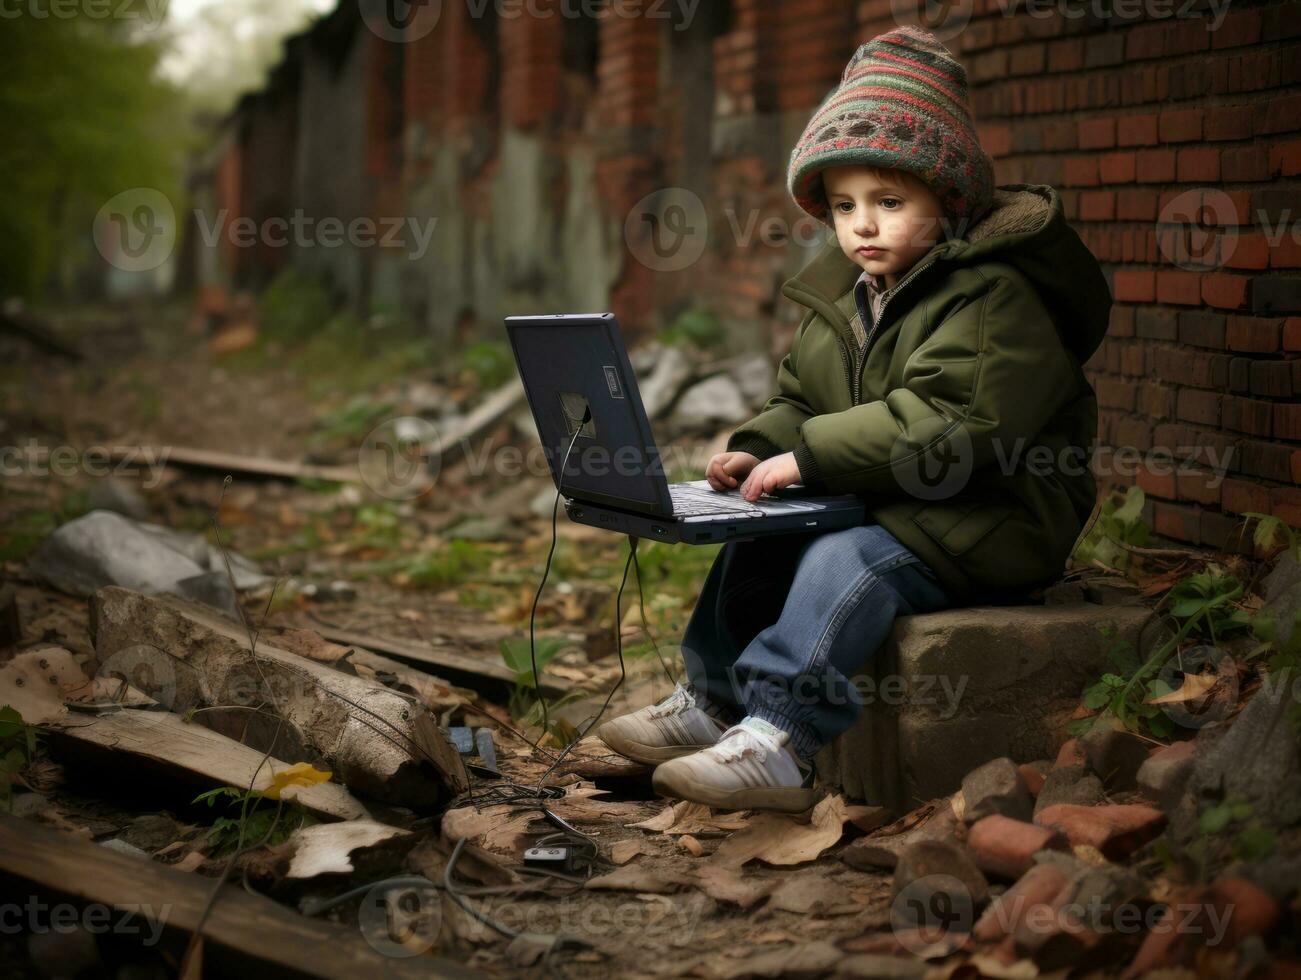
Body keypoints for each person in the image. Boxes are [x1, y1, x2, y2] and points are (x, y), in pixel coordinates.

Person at [597, 26, 1111, 813]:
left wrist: (810, 460)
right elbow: (801, 398)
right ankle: (711, 703)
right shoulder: (852, 296)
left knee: (846, 556)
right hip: (900, 498)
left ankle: (777, 737)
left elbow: (952, 423)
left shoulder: (993, 297)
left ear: (949, 201)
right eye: (843, 205)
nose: (861, 226)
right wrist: (754, 450)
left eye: (889, 202)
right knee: (757, 532)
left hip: (990, 514)